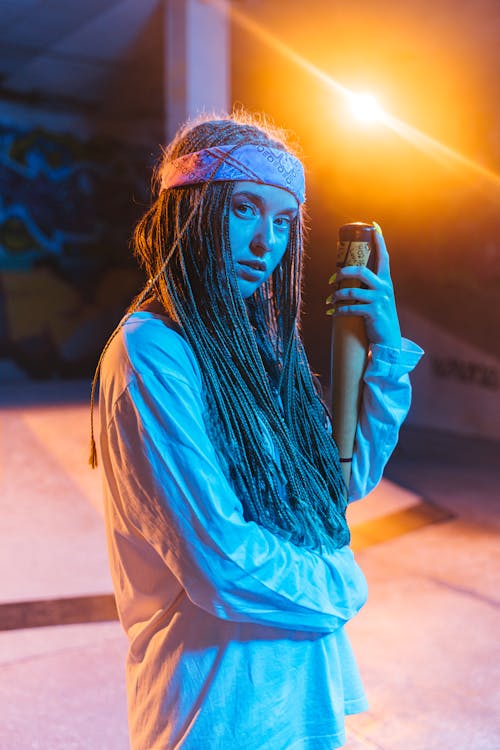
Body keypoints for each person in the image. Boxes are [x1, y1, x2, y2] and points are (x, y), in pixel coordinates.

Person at [92, 110, 423, 750]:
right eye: (243, 208)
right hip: (220, 711)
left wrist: (384, 355)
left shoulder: (257, 347)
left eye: (281, 221)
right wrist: (341, 584)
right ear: (187, 212)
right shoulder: (152, 352)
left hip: (302, 692)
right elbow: (219, 561)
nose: (264, 242)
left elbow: (337, 486)